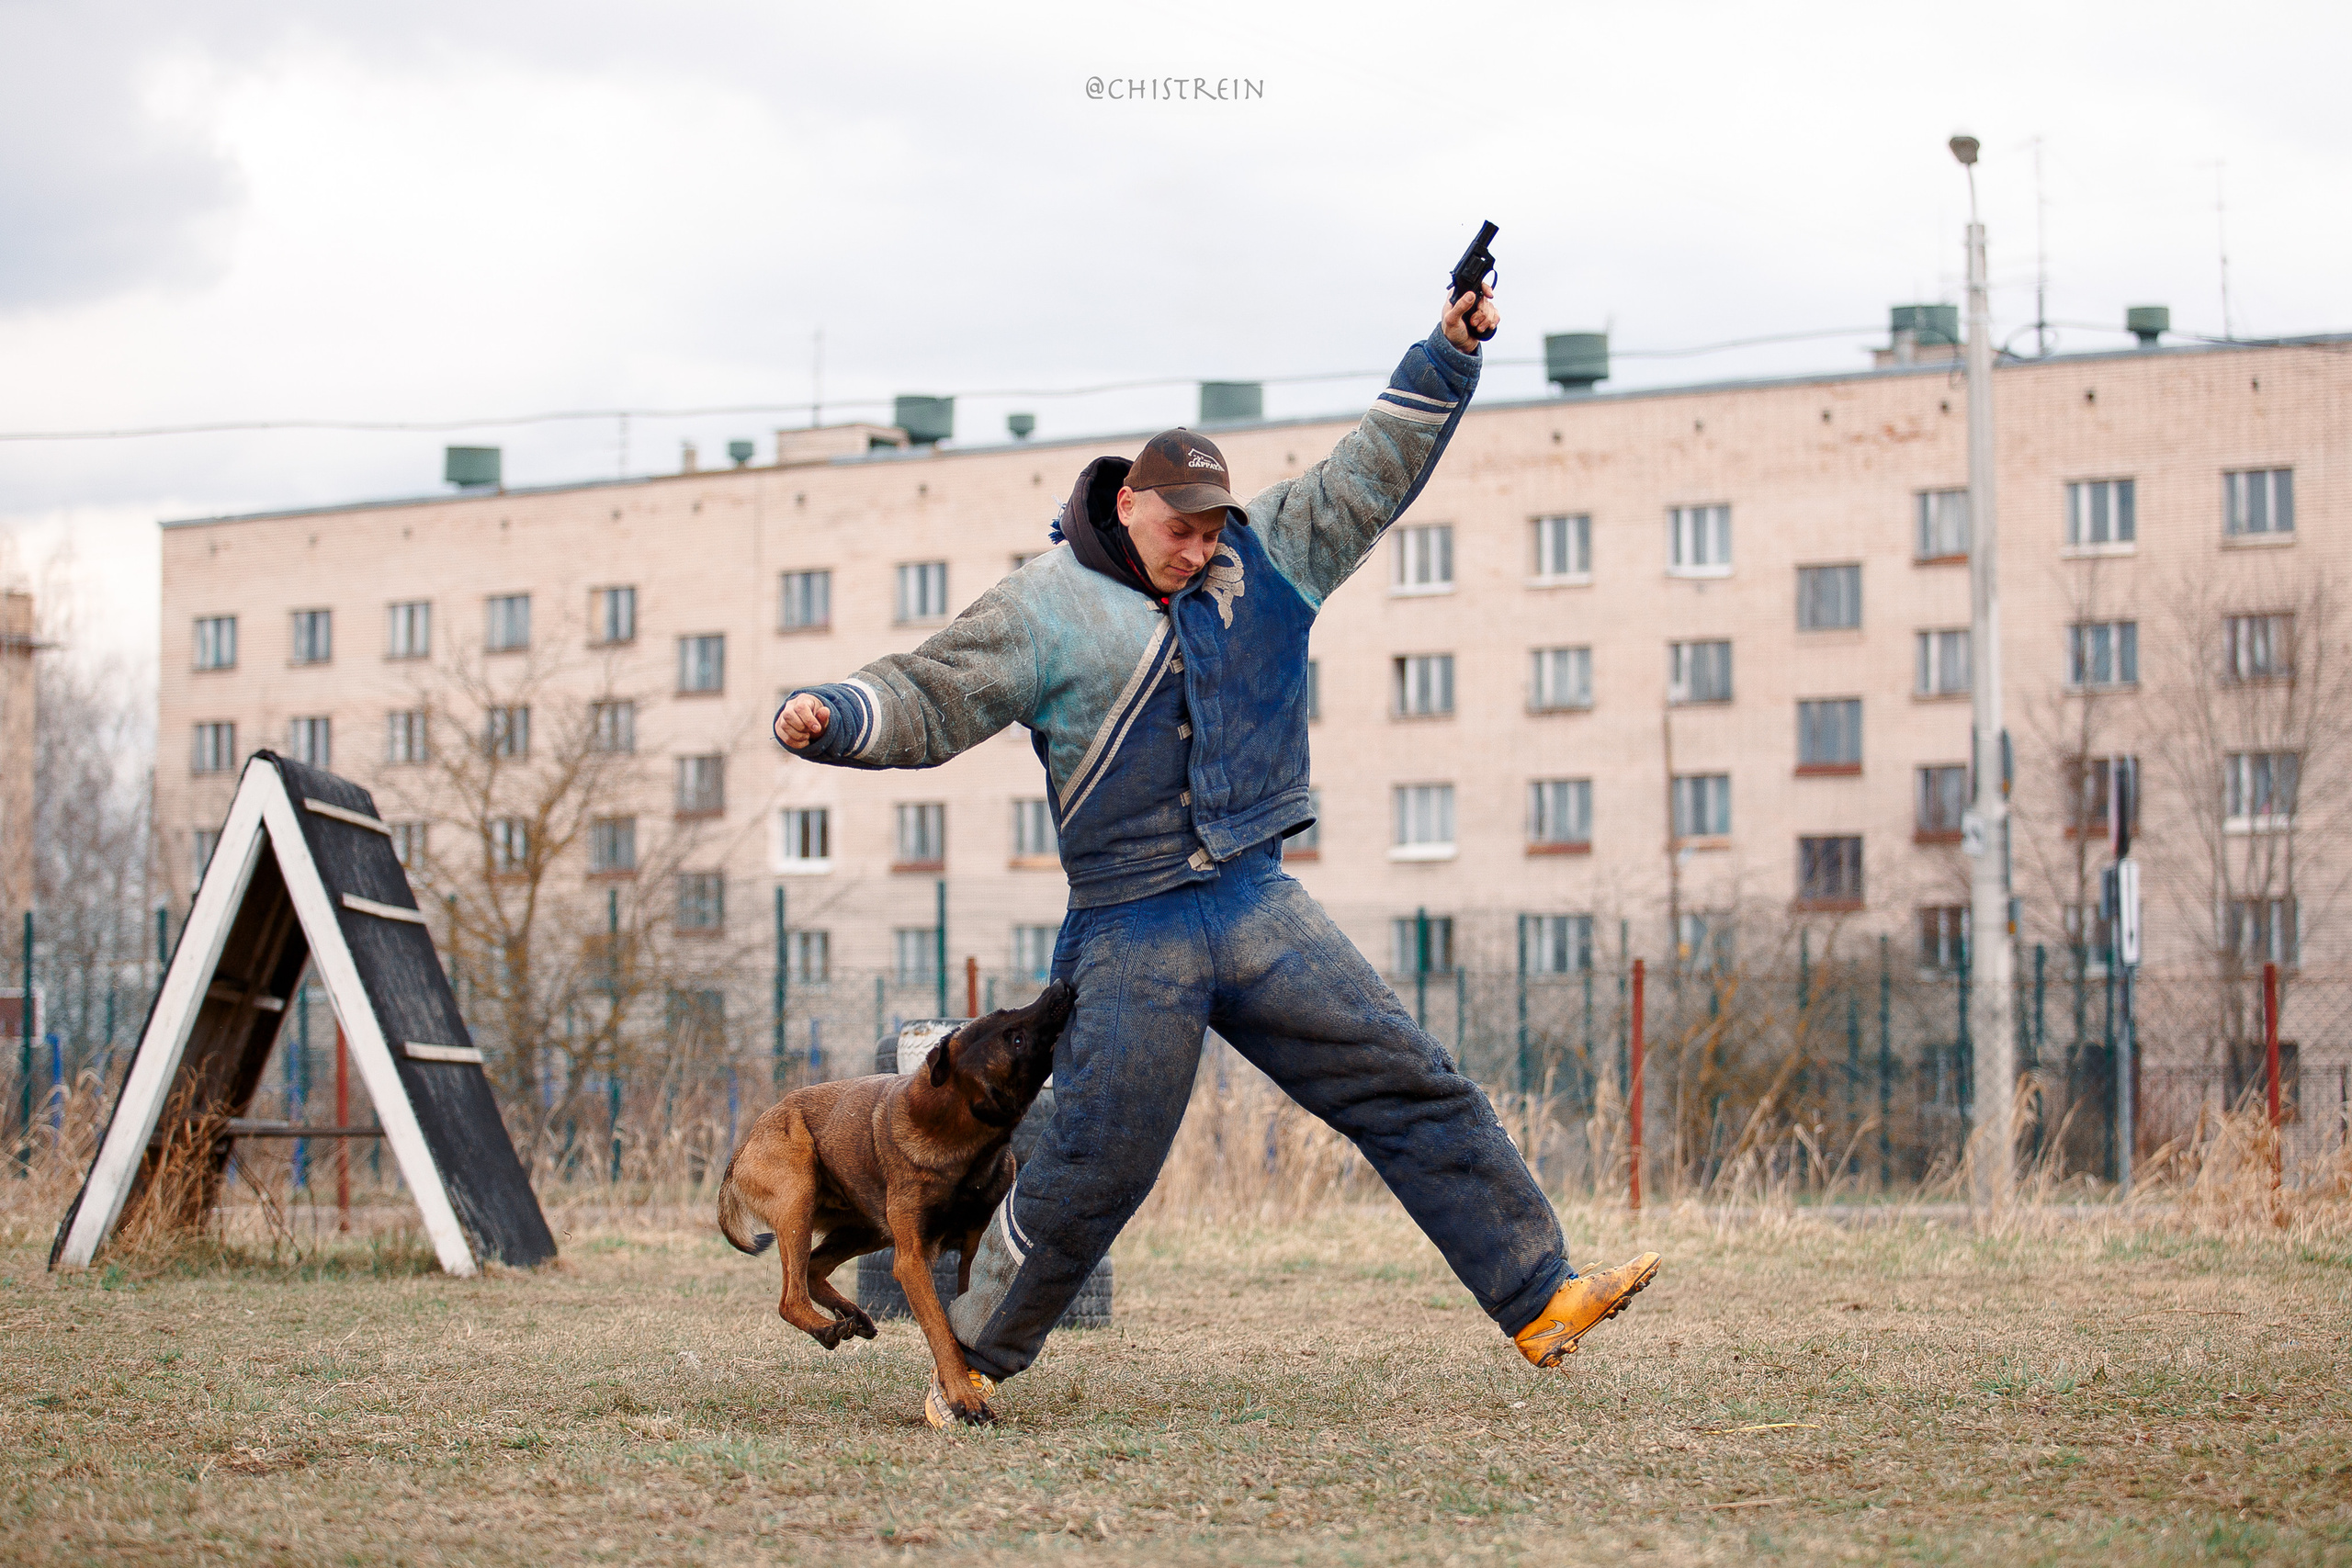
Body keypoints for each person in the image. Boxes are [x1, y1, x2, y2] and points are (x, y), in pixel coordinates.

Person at [774, 277, 1659, 1427]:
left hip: (1252, 898)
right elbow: (930, 689)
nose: (1199, 550)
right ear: (1129, 502)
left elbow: (1367, 470)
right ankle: (977, 1360)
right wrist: (832, 716)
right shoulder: (1044, 608)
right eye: (1180, 528)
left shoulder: (1267, 552)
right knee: (1095, 1164)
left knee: (1408, 1080)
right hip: (1130, 921)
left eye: (1211, 529)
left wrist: (1447, 354)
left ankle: (1541, 1297)